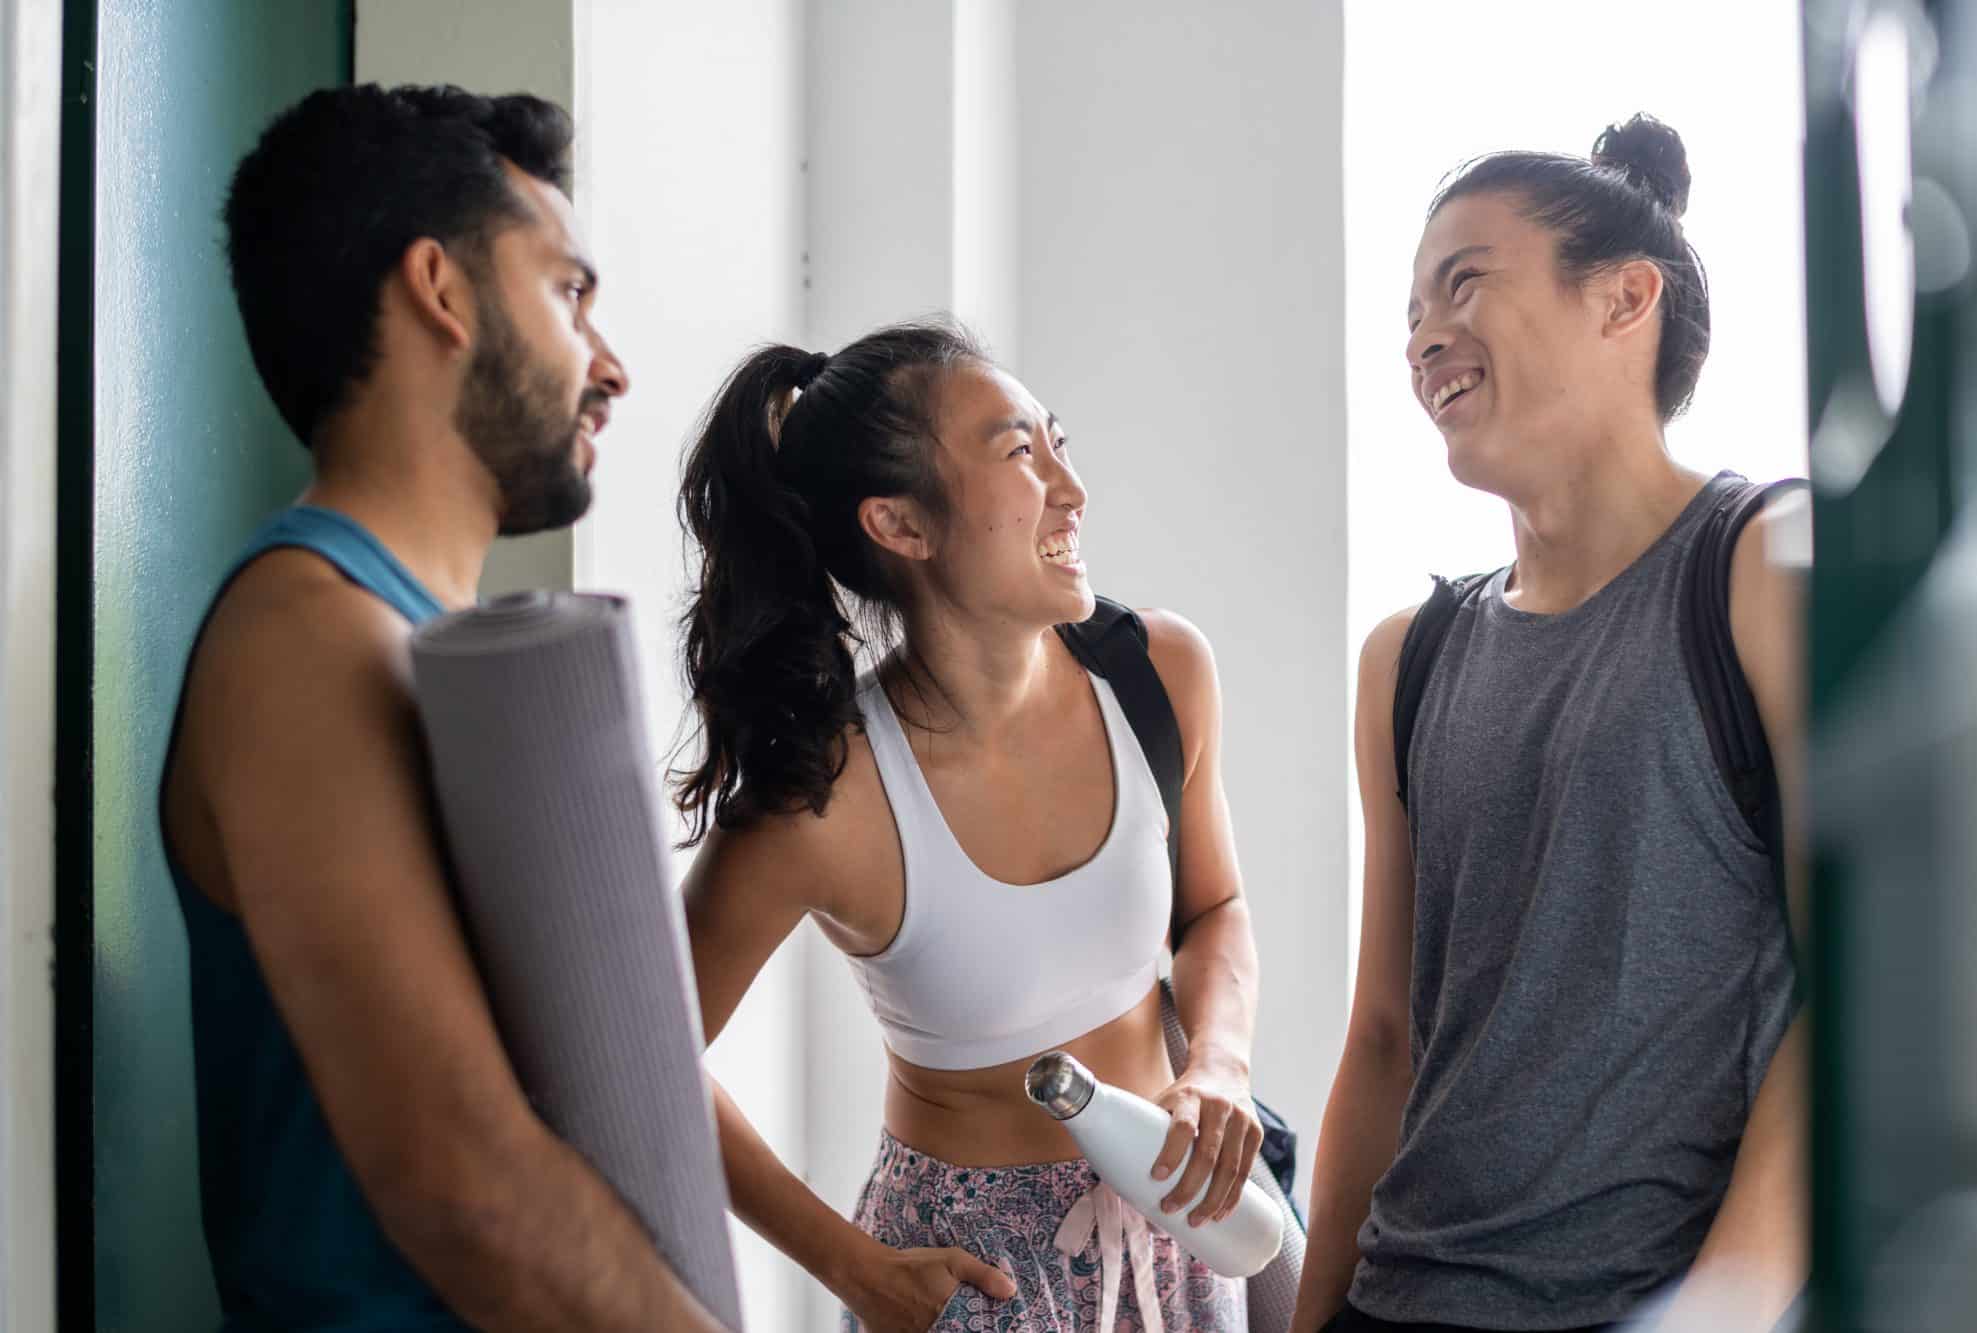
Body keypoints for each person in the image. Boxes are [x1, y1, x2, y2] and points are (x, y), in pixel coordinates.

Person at [159, 84, 725, 1331]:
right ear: (443, 289)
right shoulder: (308, 634)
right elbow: (463, 1180)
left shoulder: (423, 648)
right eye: (570, 291)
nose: (610, 363)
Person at [1290, 115, 1808, 1333]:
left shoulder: (1759, 570)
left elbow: (1852, 1000)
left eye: (1462, 282)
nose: (1422, 337)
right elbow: (1380, 1040)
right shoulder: (1405, 661)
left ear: (1625, 297)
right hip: (1394, 1300)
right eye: (1410, 313)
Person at [674, 321, 1263, 1331]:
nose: (1071, 490)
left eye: (1059, 443)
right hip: (966, 1281)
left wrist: (1217, 1060)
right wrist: (850, 1265)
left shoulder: (1155, 673)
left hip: (1180, 1238)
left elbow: (1213, 909)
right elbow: (643, 1054)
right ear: (901, 525)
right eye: (1019, 454)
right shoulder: (824, 798)